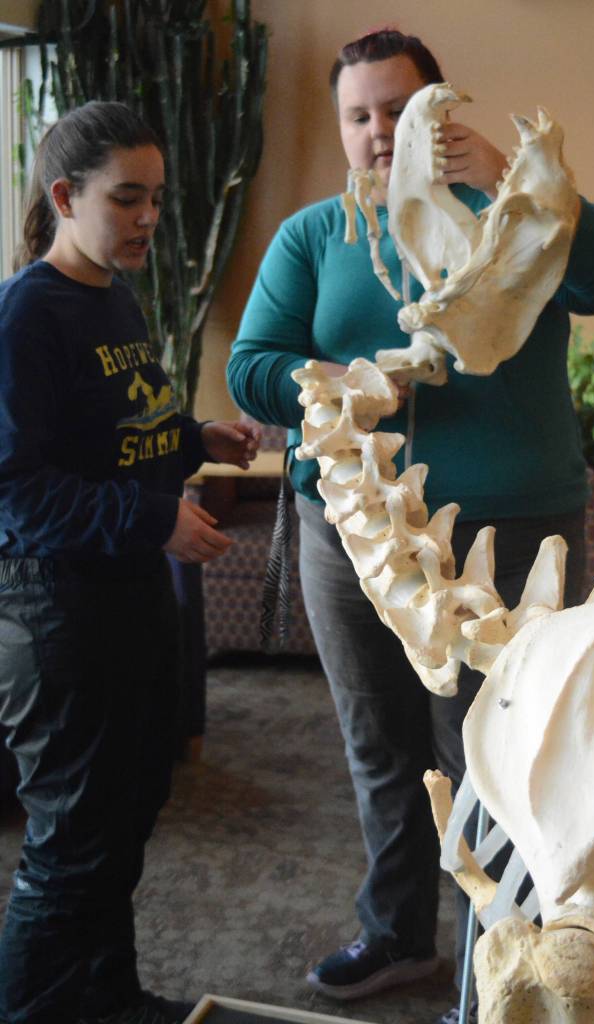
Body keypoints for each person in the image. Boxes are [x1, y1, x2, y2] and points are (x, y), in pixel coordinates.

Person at [227, 28, 594, 1024]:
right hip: (349, 531)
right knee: (377, 742)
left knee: (505, 757)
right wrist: (344, 378)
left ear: (436, 116)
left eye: (394, 111)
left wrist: (523, 185)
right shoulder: (311, 238)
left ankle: (501, 962)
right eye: (356, 115)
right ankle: (397, 932)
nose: (376, 134)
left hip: (507, 534)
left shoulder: (521, 221)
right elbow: (252, 364)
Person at [0, 101, 260, 1024]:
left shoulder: (114, 289)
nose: (150, 215)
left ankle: (101, 995)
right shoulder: (27, 313)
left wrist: (195, 438)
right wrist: (154, 519)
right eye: (127, 198)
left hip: (129, 596)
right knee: (72, 840)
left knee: (125, 813)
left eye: (156, 195)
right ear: (65, 196)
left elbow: (117, 433)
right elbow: (16, 492)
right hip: (57, 611)